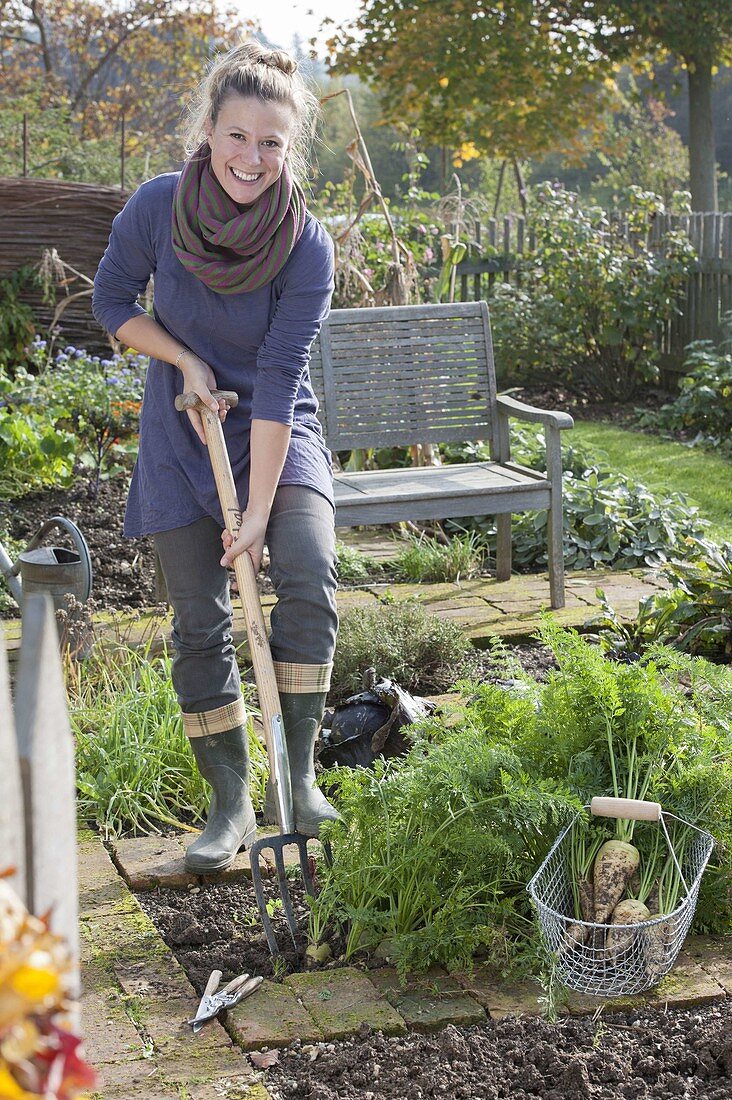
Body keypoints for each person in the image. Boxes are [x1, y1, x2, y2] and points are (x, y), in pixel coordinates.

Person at [92, 40, 339, 874]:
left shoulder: (306, 244)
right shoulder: (158, 206)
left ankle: (297, 781)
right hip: (181, 429)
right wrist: (185, 362)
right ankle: (231, 801)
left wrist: (263, 512)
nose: (253, 158)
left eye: (271, 143)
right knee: (199, 622)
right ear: (209, 130)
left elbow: (278, 377)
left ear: (289, 148)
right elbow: (111, 299)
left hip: (275, 431)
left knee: (306, 574)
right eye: (238, 137)